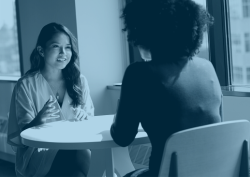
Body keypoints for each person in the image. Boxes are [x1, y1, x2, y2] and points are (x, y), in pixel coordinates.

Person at [110, 0, 223, 176]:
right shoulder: (207, 67)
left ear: (143, 30)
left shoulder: (138, 73)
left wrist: (118, 117)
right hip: (214, 171)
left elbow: (123, 138)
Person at [7, 22, 94, 177]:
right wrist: (37, 121)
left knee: (78, 156)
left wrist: (84, 117)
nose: (63, 53)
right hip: (39, 156)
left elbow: (90, 125)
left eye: (67, 47)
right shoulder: (26, 85)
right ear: (41, 50)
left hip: (75, 151)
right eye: (56, 46)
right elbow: (23, 137)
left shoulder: (80, 81)